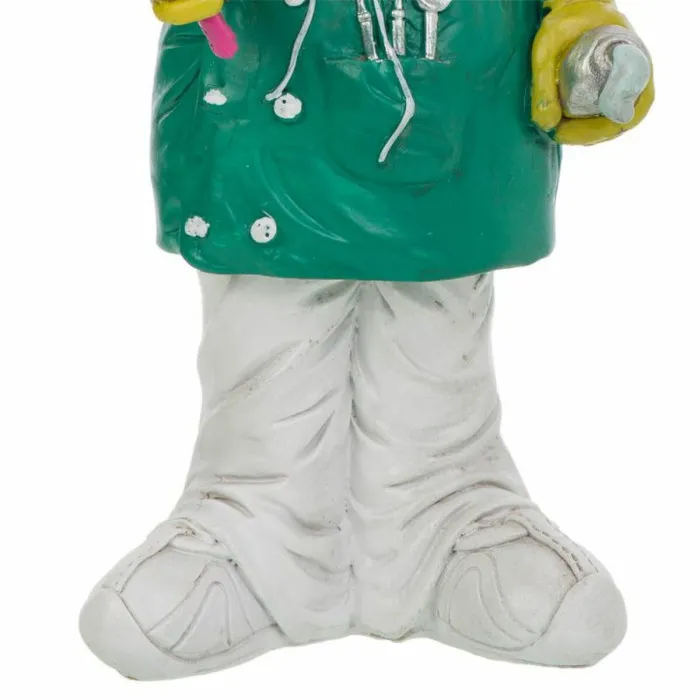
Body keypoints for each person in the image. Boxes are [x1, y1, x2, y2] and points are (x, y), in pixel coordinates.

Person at [79, 0, 655, 680]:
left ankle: (447, 512)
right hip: (265, 81)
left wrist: (587, 34)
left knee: (435, 316)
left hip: (459, 88)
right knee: (272, 320)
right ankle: (256, 524)